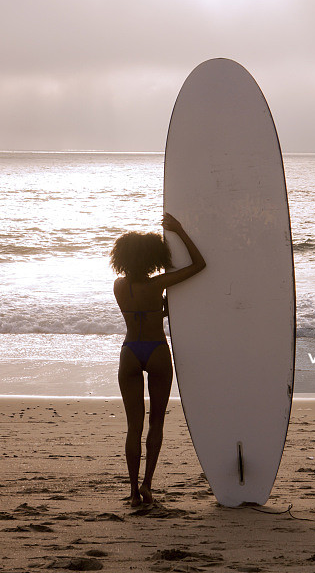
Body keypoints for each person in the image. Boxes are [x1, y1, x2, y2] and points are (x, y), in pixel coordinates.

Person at [110, 213, 206, 507]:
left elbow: (140, 311)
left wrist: (159, 309)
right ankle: (147, 484)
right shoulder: (158, 284)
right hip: (156, 351)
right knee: (156, 422)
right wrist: (179, 230)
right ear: (153, 258)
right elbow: (199, 265)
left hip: (130, 351)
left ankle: (132, 491)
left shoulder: (119, 285)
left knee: (133, 427)